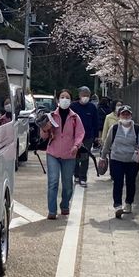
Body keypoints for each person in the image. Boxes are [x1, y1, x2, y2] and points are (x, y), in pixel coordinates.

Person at [41, 88, 84, 220]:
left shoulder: (75, 117)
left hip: (69, 154)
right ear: (58, 100)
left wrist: (76, 146)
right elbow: (43, 137)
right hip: (53, 153)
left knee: (67, 184)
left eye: (67, 97)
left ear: (71, 100)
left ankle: (65, 205)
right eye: (62, 97)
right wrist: (45, 129)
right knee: (53, 182)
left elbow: (80, 134)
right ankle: (52, 210)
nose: (64, 99)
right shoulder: (51, 116)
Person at [101, 104, 139, 217]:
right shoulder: (115, 128)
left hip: (132, 160)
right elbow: (107, 143)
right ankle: (117, 205)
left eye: (128, 114)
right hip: (117, 159)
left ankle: (128, 203)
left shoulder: (137, 128)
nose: (126, 116)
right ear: (119, 116)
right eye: (123, 114)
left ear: (131, 115)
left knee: (131, 182)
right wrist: (102, 157)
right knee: (118, 182)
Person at [71, 86, 102, 185]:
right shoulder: (73, 106)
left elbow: (95, 122)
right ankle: (76, 175)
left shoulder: (92, 107)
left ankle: (83, 177)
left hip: (88, 136)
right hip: (74, 136)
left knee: (85, 156)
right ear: (79, 95)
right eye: (83, 95)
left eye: (87, 95)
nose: (85, 97)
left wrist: (96, 136)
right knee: (75, 156)